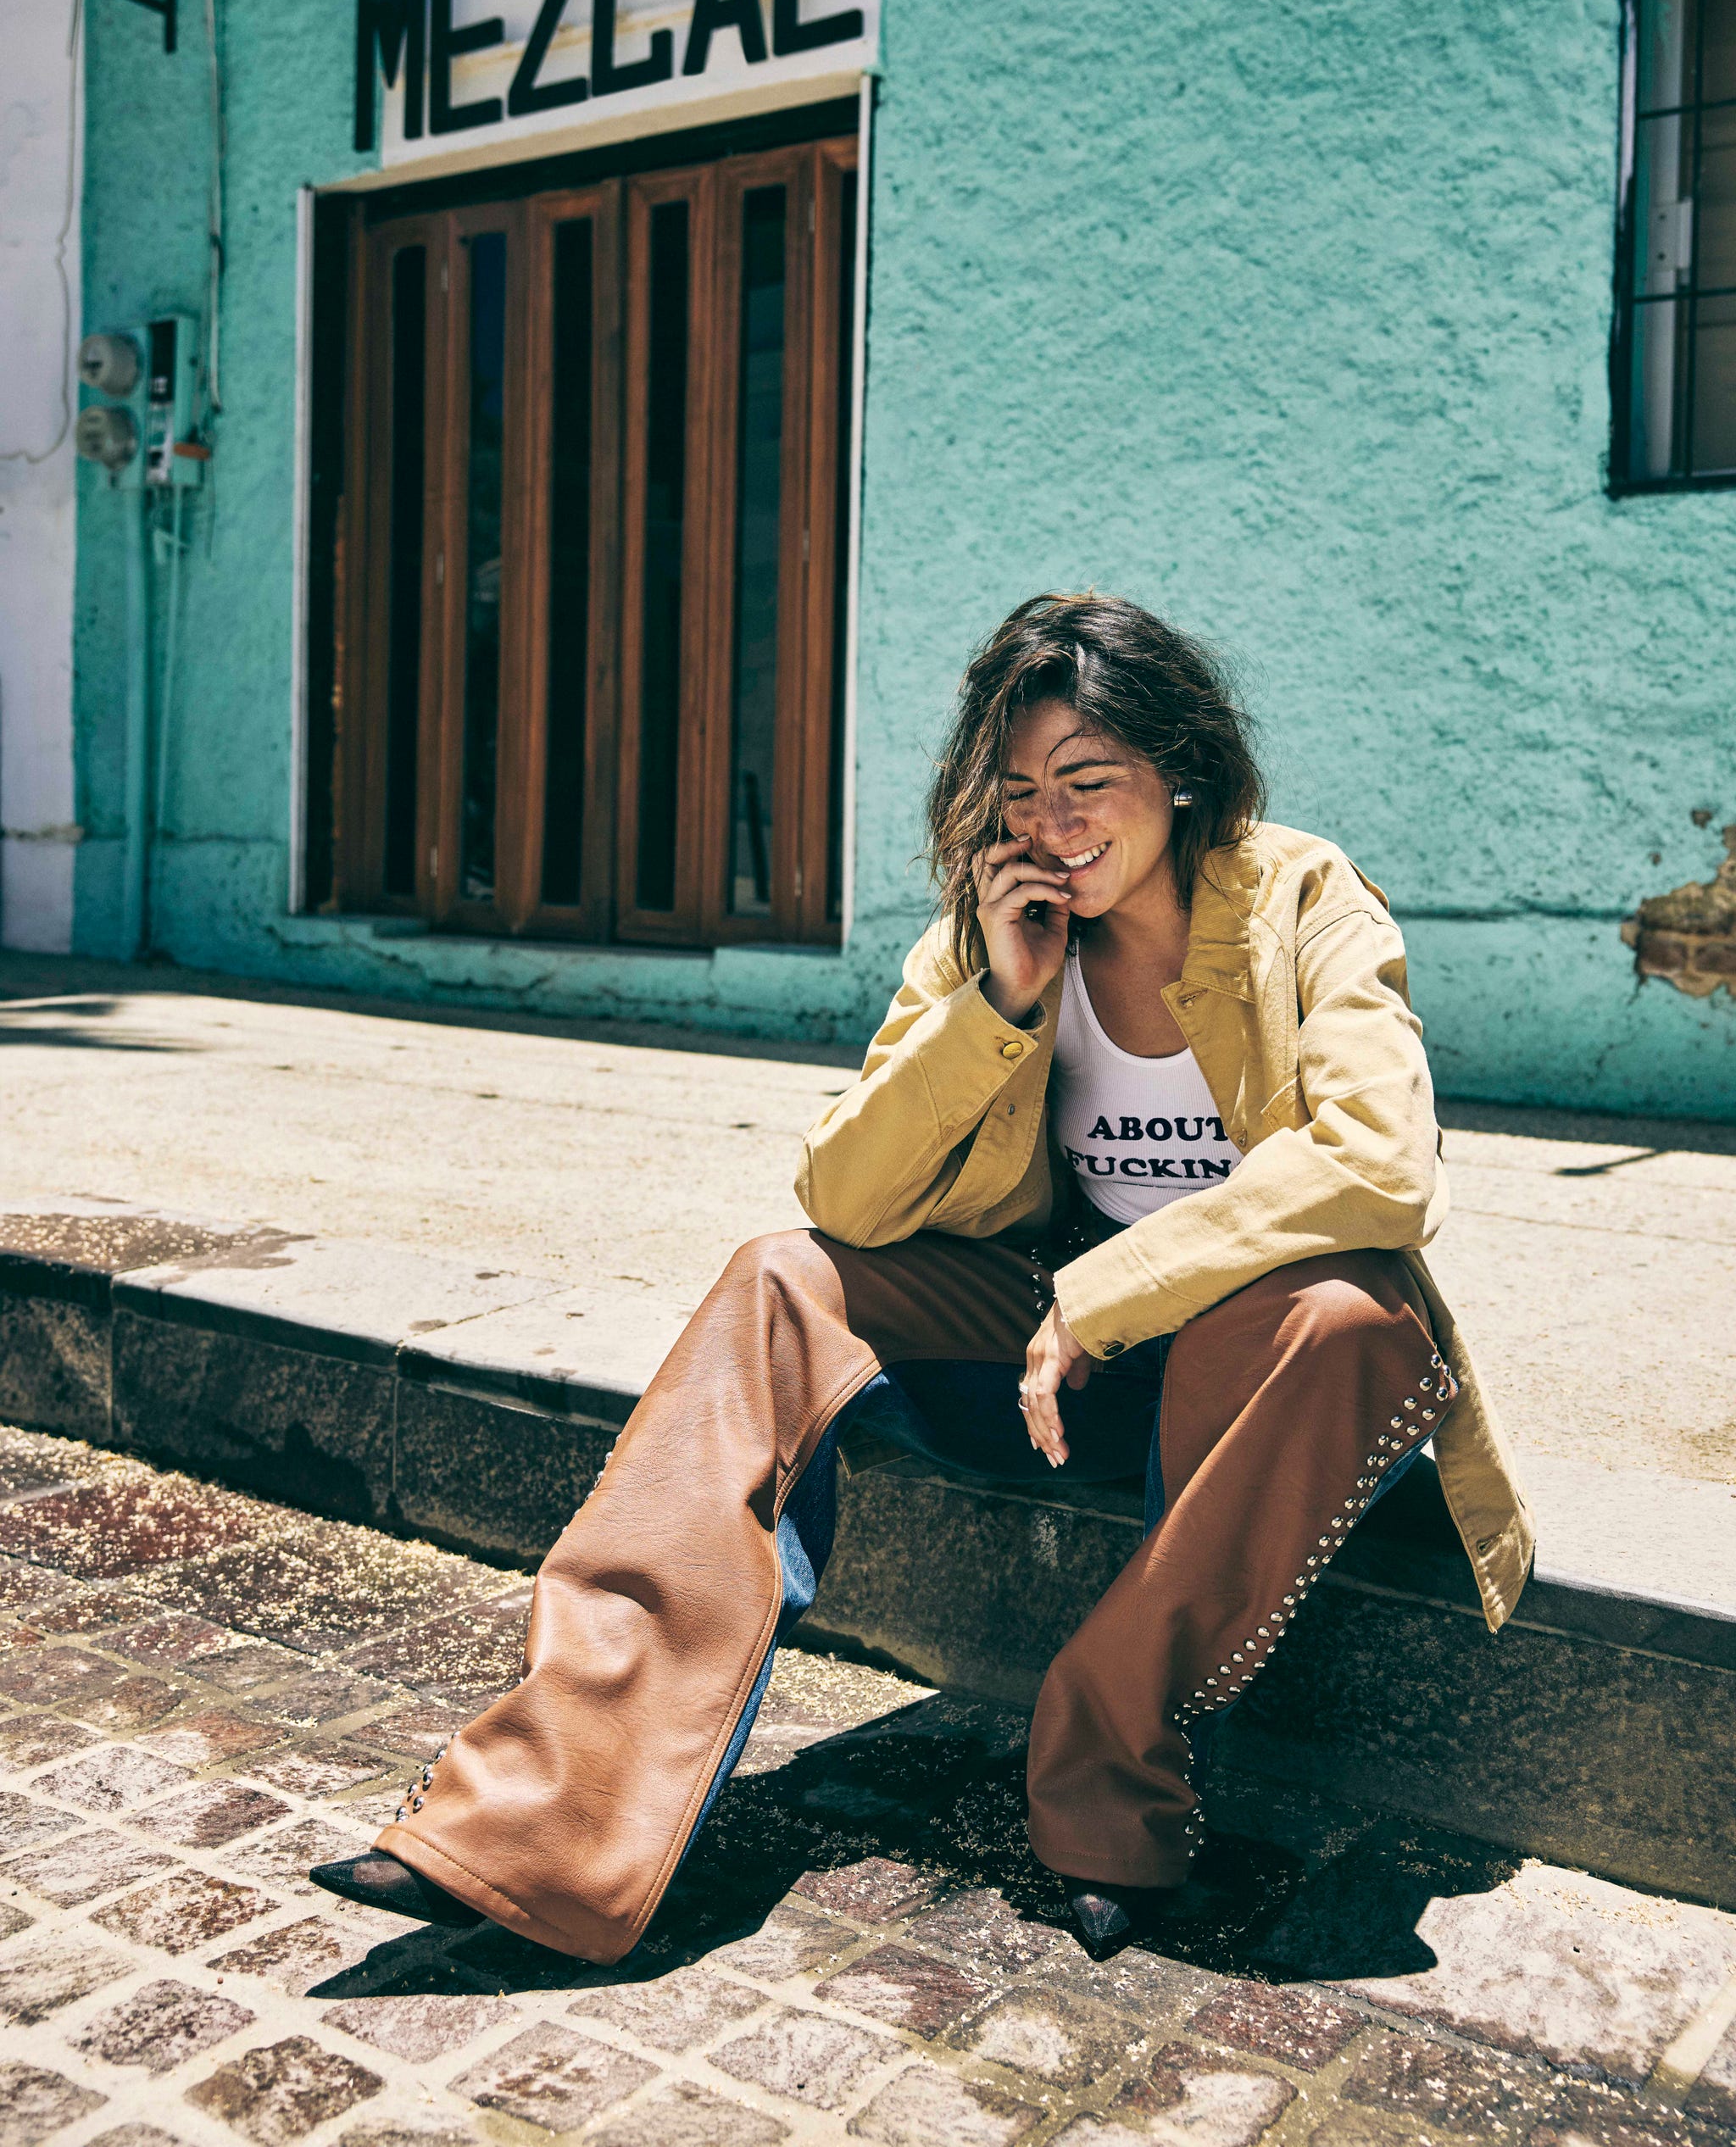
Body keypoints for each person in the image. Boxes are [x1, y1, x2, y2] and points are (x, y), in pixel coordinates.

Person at [314, 592, 1533, 1962]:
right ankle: (540, 1816)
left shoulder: (1304, 895)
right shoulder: (989, 924)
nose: (1053, 828)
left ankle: (1106, 1769)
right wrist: (1001, 1007)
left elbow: (1386, 1170)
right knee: (782, 1280)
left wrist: (1115, 1290)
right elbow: (845, 1194)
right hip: (1032, 1348)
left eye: (1089, 784)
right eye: (1020, 792)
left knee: (1349, 1310)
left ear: (1179, 773)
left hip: (1245, 1374)